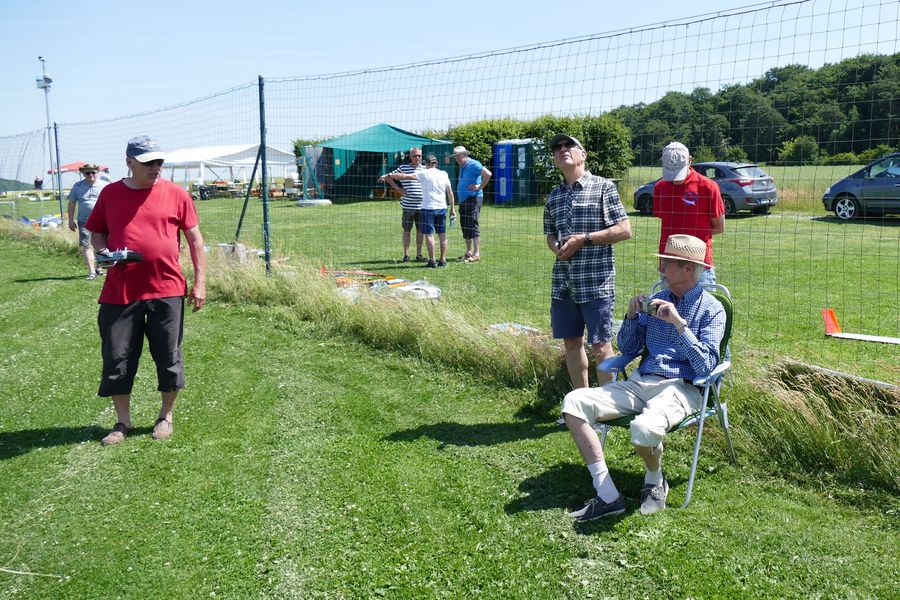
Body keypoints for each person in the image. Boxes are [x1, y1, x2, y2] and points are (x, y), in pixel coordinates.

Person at [562, 234, 726, 521]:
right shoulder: (657, 301)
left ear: (688, 268)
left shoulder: (712, 309)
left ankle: (654, 478)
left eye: (667, 263)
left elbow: (705, 366)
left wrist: (678, 324)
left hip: (682, 387)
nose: (660, 268)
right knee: (573, 402)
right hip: (640, 381)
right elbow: (627, 347)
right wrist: (631, 317)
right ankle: (607, 494)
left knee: (644, 428)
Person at [85, 134, 206, 445]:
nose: (156, 167)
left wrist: (200, 282)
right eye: (148, 162)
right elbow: (96, 232)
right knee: (117, 356)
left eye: (159, 162)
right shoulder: (110, 194)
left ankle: (166, 416)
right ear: (129, 162)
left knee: (168, 356)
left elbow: (195, 240)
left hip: (166, 288)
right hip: (120, 291)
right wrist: (103, 253)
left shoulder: (177, 194)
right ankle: (122, 422)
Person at [543, 133, 631, 390]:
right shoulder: (554, 196)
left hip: (596, 283)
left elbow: (624, 229)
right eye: (557, 147)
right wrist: (556, 248)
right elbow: (550, 234)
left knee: (601, 345)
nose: (562, 149)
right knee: (571, 343)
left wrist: (585, 239)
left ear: (583, 154)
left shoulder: (604, 187)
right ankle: (581, 401)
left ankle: (607, 404)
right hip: (564, 283)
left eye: (569, 145)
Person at [653, 142, 725, 285]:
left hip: (699, 266)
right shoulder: (660, 187)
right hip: (669, 266)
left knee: (703, 300)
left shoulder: (708, 187)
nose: (675, 179)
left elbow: (719, 227)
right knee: (667, 300)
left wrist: (690, 240)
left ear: (690, 161)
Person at [385, 154, 455, 267]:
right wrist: (452, 208)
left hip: (428, 208)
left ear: (426, 164)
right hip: (442, 208)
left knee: (429, 235)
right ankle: (443, 259)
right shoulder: (444, 174)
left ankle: (432, 260)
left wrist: (388, 175)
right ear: (436, 163)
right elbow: (450, 192)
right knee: (442, 235)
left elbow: (403, 176)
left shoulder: (423, 173)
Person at [378, 147, 425, 262]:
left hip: (423, 206)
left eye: (419, 155)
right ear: (410, 156)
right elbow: (389, 176)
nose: (417, 158)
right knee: (407, 230)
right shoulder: (403, 168)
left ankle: (419, 255)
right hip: (408, 206)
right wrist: (398, 189)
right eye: (415, 155)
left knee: (420, 231)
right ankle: (406, 255)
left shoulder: (425, 168)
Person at [67, 163, 107, 280]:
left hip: (101, 221)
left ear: (97, 172)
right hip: (84, 221)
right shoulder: (77, 186)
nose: (91, 175)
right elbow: (72, 203)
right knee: (87, 245)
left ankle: (99, 268)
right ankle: (92, 272)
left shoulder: (104, 185)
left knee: (102, 246)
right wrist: (70, 220)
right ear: (83, 173)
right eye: (87, 173)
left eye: (93, 172)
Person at [453, 146, 491, 262]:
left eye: (458, 156)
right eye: (455, 157)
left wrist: (479, 187)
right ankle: (469, 252)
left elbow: (488, 174)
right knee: (465, 224)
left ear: (465, 155)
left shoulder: (474, 164)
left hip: (473, 198)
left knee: (472, 223)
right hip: (464, 200)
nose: (456, 159)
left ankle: (476, 253)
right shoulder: (462, 166)